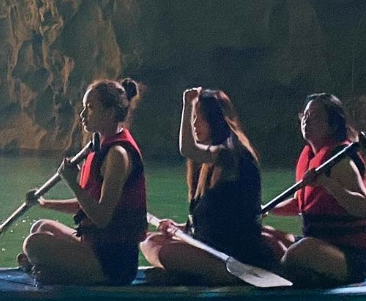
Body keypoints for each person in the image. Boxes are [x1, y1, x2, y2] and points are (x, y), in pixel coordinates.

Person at [141, 87, 276, 285]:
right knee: (150, 242)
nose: (194, 124)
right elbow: (209, 220)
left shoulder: (232, 154)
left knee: (165, 252)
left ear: (217, 119)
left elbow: (187, 149)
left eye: (200, 118)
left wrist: (187, 104)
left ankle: (228, 276)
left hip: (234, 253)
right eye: (193, 117)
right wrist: (179, 228)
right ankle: (201, 272)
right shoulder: (204, 162)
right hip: (209, 247)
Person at [21, 78, 147, 285]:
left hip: (113, 263)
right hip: (95, 246)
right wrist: (44, 203)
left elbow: (102, 217)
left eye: (90, 108)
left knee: (34, 244)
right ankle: (47, 269)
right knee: (40, 227)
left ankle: (79, 275)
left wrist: (73, 183)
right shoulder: (98, 147)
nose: (82, 115)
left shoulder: (117, 154)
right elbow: (87, 206)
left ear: (109, 112)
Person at [265, 93, 366, 287]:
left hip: (350, 258)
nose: (306, 121)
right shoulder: (309, 157)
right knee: (266, 237)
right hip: (318, 246)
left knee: (301, 251)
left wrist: (327, 183)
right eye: (305, 116)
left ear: (332, 125)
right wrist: (267, 209)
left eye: (314, 117)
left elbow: (364, 207)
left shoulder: (341, 162)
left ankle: (276, 276)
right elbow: (300, 203)